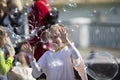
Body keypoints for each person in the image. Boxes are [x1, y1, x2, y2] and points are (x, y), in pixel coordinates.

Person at [22, 23, 88, 80]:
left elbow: (77, 59)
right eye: (51, 37)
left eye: (56, 36)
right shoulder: (48, 54)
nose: (53, 39)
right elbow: (36, 74)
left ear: (62, 36)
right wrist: (31, 58)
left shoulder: (68, 50)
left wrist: (66, 40)